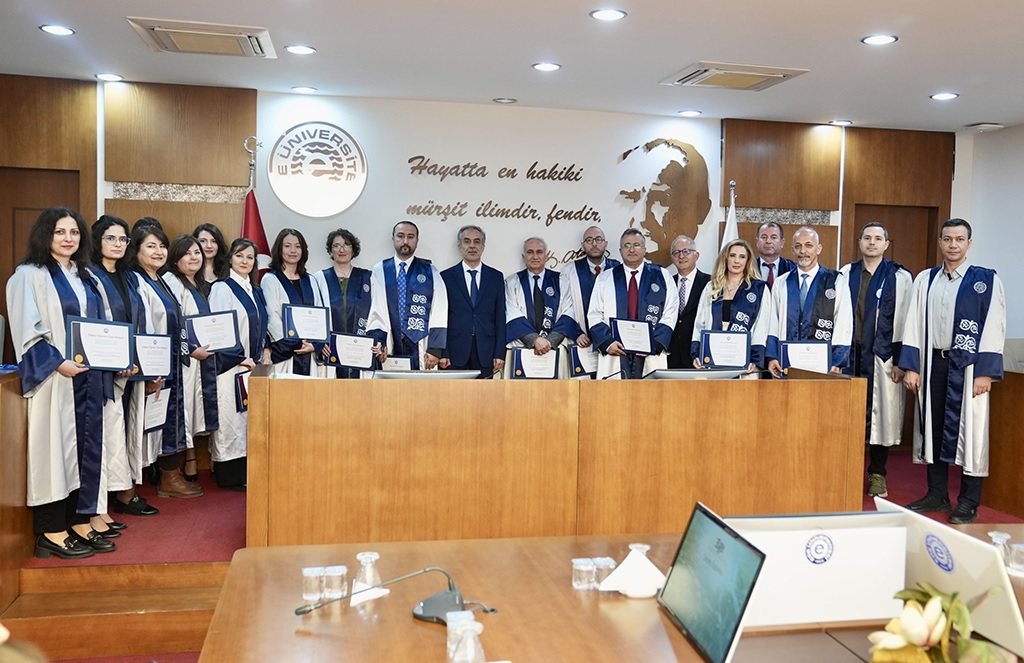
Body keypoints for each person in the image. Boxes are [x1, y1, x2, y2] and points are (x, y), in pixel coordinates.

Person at [6, 206, 114, 559]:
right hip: (55, 380)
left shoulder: (86, 276)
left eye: (74, 232)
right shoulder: (29, 275)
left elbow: (104, 326)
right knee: (55, 455)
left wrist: (116, 356)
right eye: (59, 232)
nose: (68, 239)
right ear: (45, 235)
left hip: (88, 378)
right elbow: (26, 330)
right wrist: (57, 362)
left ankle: (78, 521)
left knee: (85, 451)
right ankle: (51, 530)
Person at [899, 218, 1006, 525]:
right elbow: (912, 321)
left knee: (971, 433)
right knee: (932, 429)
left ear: (969, 243)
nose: (953, 245)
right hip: (933, 362)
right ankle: (937, 493)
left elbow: (995, 324)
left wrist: (985, 372)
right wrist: (911, 366)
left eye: (959, 239)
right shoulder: (926, 279)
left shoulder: (986, 280)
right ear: (941, 242)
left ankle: (969, 501)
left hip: (969, 367)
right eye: (947, 239)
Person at [127, 225, 202, 499]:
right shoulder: (136, 281)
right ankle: (144, 485)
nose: (158, 251)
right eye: (151, 246)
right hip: (152, 365)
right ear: (136, 250)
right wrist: (148, 370)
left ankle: (170, 475)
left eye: (161, 246)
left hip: (169, 363)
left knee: (168, 419)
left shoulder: (159, 279)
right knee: (151, 422)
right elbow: (141, 326)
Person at [839, 223, 913, 499]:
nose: (872, 242)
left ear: (886, 244)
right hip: (850, 356)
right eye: (867, 238)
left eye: (878, 238)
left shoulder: (900, 277)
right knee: (848, 416)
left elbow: (907, 320)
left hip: (884, 358)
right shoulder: (846, 273)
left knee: (881, 418)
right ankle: (846, 471)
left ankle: (878, 474)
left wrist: (902, 361)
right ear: (859, 242)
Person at [89, 215, 152, 530]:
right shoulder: (89, 275)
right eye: (110, 238)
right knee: (105, 435)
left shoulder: (129, 277)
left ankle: (122, 492)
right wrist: (114, 359)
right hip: (103, 369)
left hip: (130, 368)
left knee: (125, 431)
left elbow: (141, 322)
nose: (117, 244)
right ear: (97, 240)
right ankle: (99, 505)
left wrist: (147, 365)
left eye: (122, 239)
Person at [209, 238, 271, 490]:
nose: (244, 261)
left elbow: (262, 325)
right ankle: (227, 475)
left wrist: (265, 349)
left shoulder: (255, 290)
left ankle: (245, 472)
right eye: (239, 256)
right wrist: (237, 356)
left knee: (247, 419)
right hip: (230, 365)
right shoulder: (222, 288)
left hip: (251, 365)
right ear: (230, 259)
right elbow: (217, 327)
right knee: (229, 419)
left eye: (249, 257)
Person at [163, 235, 219, 483]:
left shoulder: (198, 284)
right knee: (182, 413)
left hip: (199, 359)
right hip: (183, 360)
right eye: (187, 253)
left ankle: (191, 458)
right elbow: (173, 324)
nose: (194, 257)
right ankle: (177, 468)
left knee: (193, 412)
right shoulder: (172, 282)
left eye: (197, 252)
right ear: (176, 258)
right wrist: (190, 350)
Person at [588, 228, 678, 379]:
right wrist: (608, 342)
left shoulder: (662, 276)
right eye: (627, 245)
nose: (631, 249)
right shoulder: (605, 278)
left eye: (636, 245)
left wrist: (654, 344)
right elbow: (594, 314)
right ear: (620, 250)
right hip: (615, 353)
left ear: (644, 249)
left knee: (650, 392)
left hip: (650, 354)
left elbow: (671, 312)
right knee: (614, 392)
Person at [766, 226, 852, 377]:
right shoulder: (782, 282)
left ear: (818, 249)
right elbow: (772, 322)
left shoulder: (835, 281)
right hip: (786, 362)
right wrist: (772, 356)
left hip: (823, 363)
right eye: (798, 246)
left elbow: (844, 322)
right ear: (793, 250)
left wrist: (836, 361)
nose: (803, 251)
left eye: (808, 245)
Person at [367, 221, 447, 369]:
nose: (405, 241)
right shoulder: (379, 270)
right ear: (393, 238)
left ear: (417, 240)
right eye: (400, 236)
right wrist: (379, 341)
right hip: (390, 342)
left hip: (421, 345)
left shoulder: (430, 271)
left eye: (410, 237)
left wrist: (435, 348)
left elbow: (439, 309)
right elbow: (375, 310)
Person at [691, 239, 771, 372]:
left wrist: (755, 359)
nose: (736, 261)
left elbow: (762, 327)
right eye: (732, 255)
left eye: (742, 257)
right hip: (712, 359)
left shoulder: (759, 289)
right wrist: (697, 354)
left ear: (748, 261)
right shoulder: (711, 287)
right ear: (725, 258)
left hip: (746, 363)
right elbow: (699, 324)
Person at [439, 225, 506, 378]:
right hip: (454, 351)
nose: (472, 246)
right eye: (467, 241)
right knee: (453, 393)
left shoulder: (495, 277)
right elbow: (442, 317)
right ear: (459, 246)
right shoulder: (446, 277)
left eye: (477, 241)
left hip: (486, 350)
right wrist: (443, 352)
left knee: (484, 393)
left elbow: (500, 318)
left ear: (483, 246)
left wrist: (499, 353)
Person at [504, 237, 577, 374]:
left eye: (539, 252)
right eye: (530, 252)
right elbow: (511, 314)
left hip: (554, 348)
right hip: (522, 346)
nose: (535, 256)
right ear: (523, 257)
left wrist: (550, 341)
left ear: (547, 256)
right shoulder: (512, 282)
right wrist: (534, 340)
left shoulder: (561, 281)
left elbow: (568, 313)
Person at [312, 228, 374, 378]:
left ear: (353, 249)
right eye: (336, 246)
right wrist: (319, 343)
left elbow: (377, 314)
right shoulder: (319, 279)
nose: (342, 250)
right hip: (330, 351)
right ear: (330, 250)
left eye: (346, 245)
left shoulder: (368, 278)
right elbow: (314, 317)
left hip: (361, 350)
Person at [262, 229, 320, 376]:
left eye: (298, 246)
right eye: (287, 246)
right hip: (285, 353)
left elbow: (320, 313)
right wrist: (296, 342)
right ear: (279, 249)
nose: (293, 250)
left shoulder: (310, 280)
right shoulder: (270, 279)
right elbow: (272, 317)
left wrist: (314, 344)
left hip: (309, 351)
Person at [560, 226, 620, 350]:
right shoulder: (570, 271)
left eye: (598, 239)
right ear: (583, 245)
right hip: (582, 341)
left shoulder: (618, 270)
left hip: (613, 341)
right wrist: (576, 332)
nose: (594, 244)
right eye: (589, 240)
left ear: (606, 243)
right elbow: (563, 306)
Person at [666, 235, 710, 369]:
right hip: (670, 356)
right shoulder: (666, 283)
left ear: (696, 255)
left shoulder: (710, 283)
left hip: (697, 357)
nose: (681, 256)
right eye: (676, 252)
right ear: (672, 258)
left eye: (686, 251)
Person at [755, 221, 795, 289]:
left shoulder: (793, 268)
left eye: (773, 237)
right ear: (757, 242)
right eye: (764, 237)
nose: (768, 241)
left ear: (782, 243)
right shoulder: (748, 267)